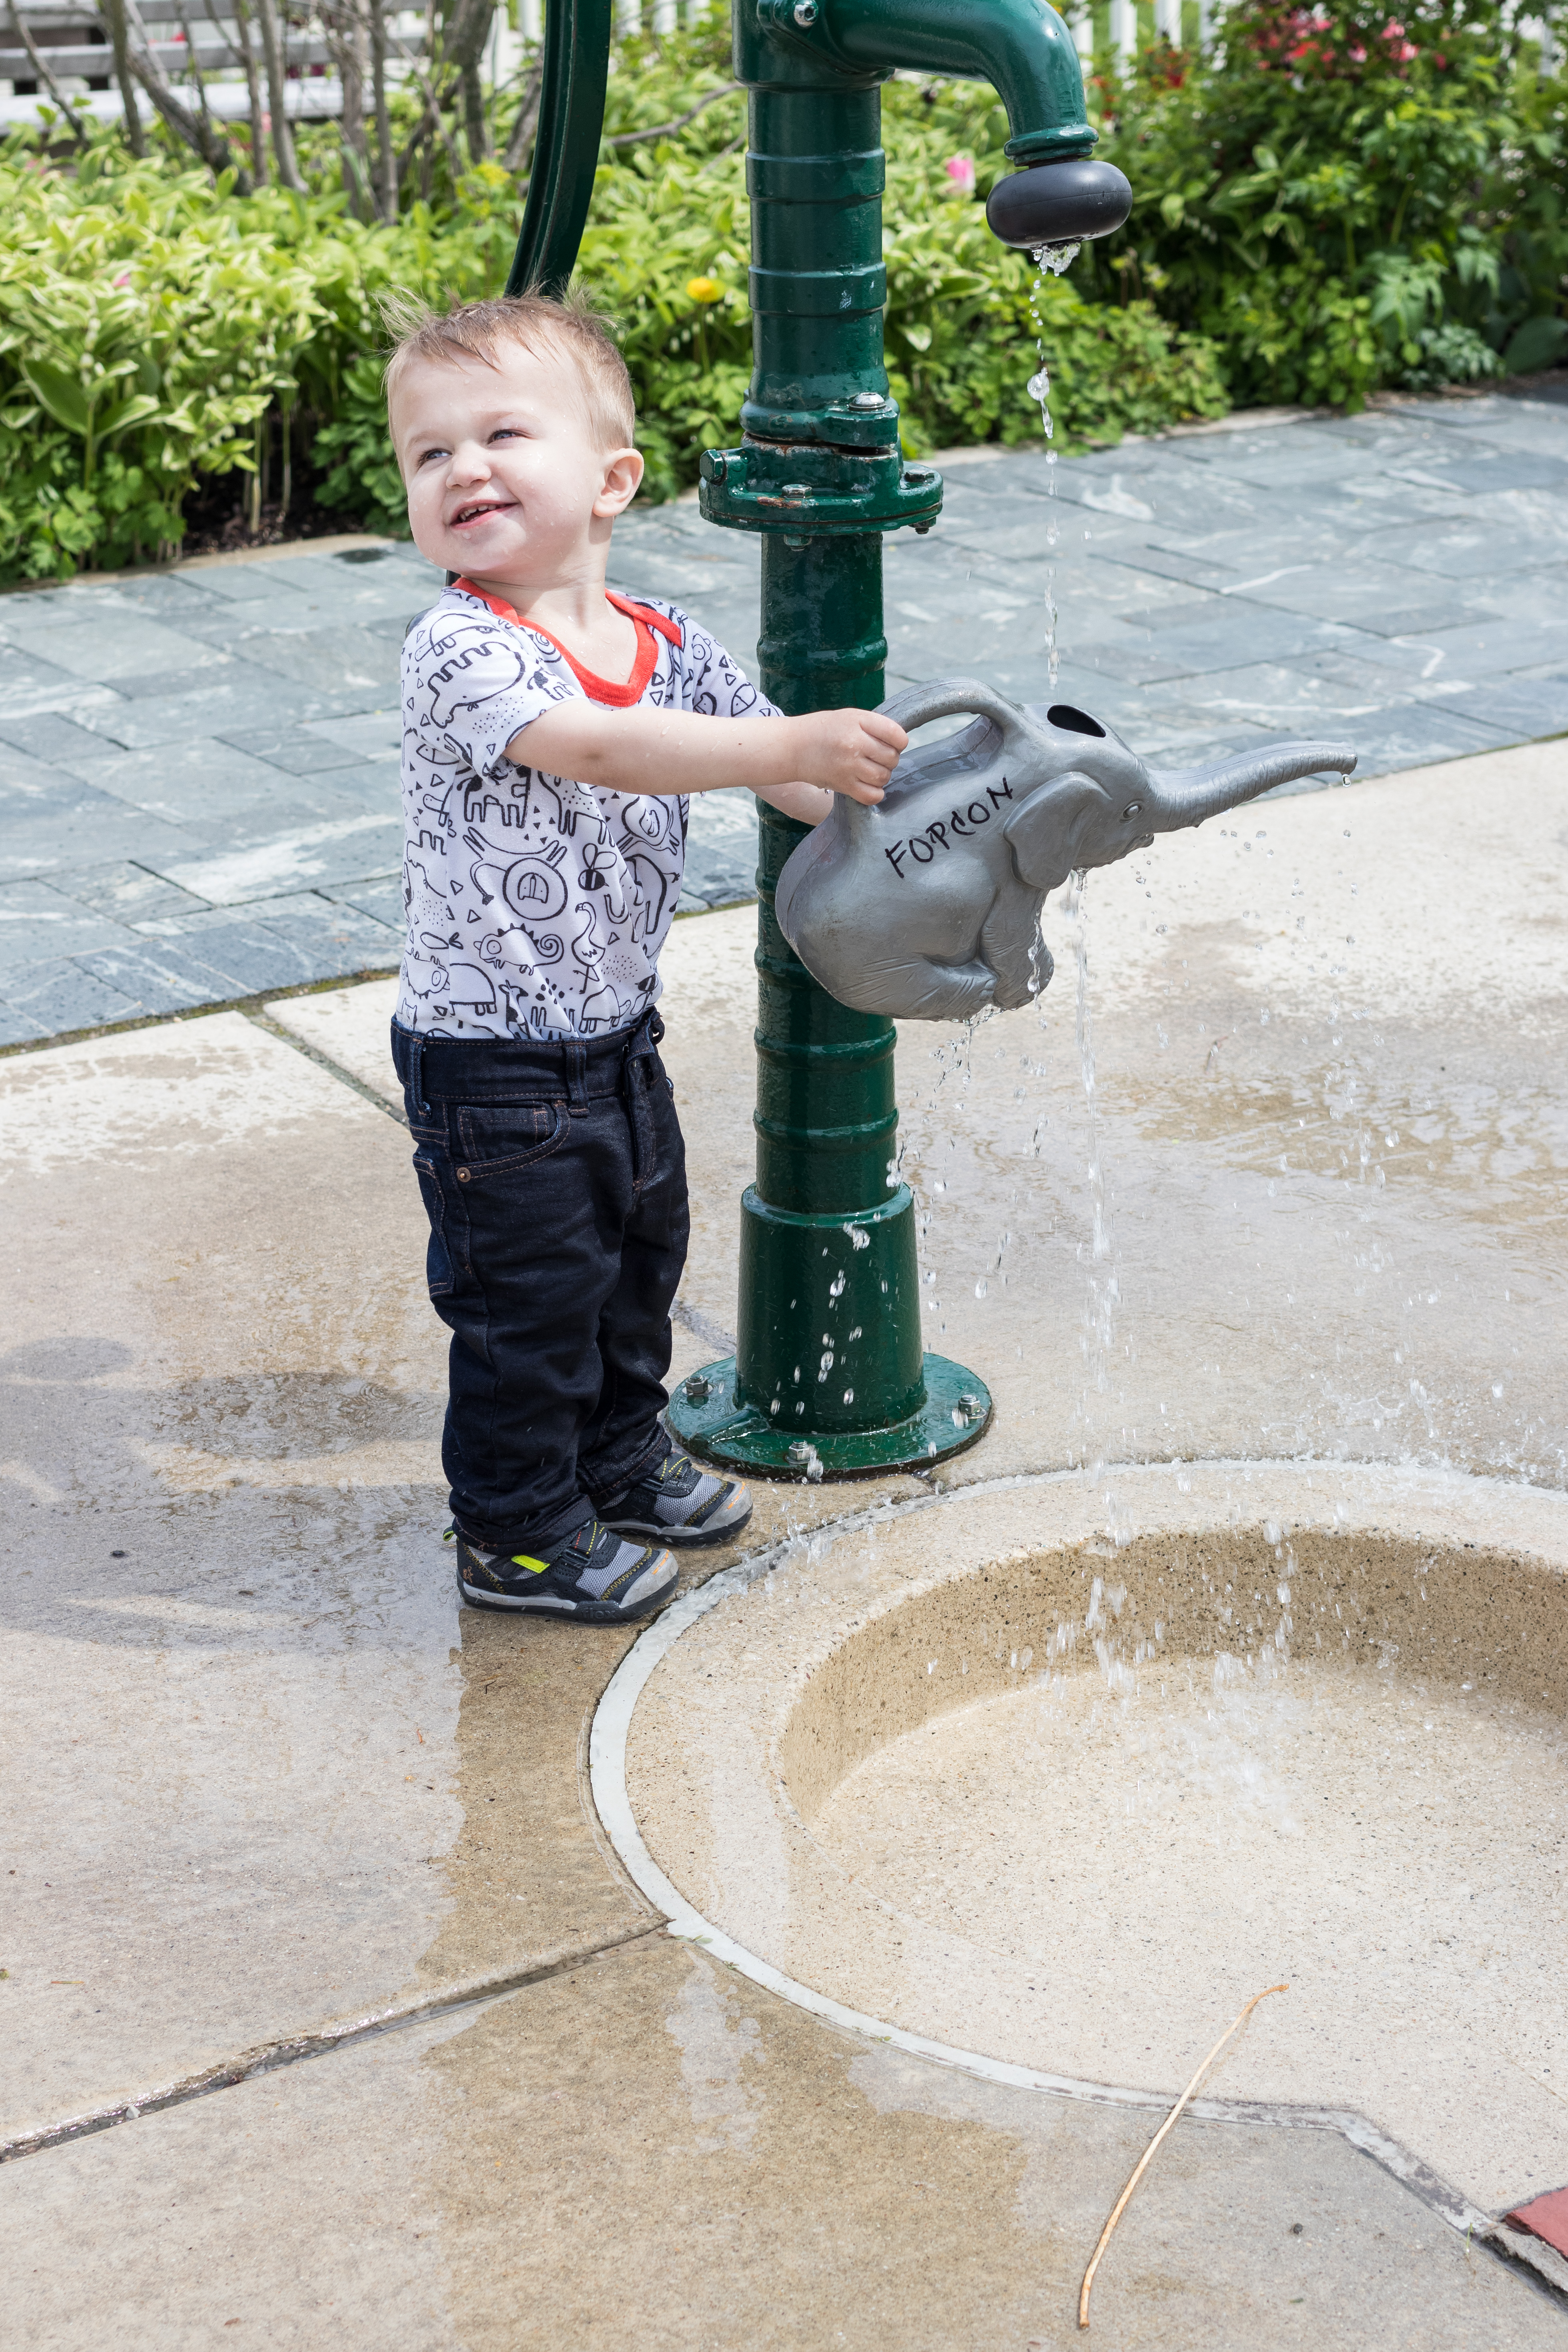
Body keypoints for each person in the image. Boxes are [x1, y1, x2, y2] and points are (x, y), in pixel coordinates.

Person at [385, 292, 908, 1624]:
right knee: (525, 1310)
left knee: (633, 1267)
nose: (464, 470)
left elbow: (788, 775)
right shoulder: (460, 648)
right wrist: (787, 750)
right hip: (489, 1066)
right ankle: (512, 1530)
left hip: (616, 1034)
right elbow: (612, 747)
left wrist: (907, 802)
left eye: (502, 432)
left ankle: (614, 1456)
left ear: (612, 479)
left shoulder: (671, 644)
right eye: (428, 454)